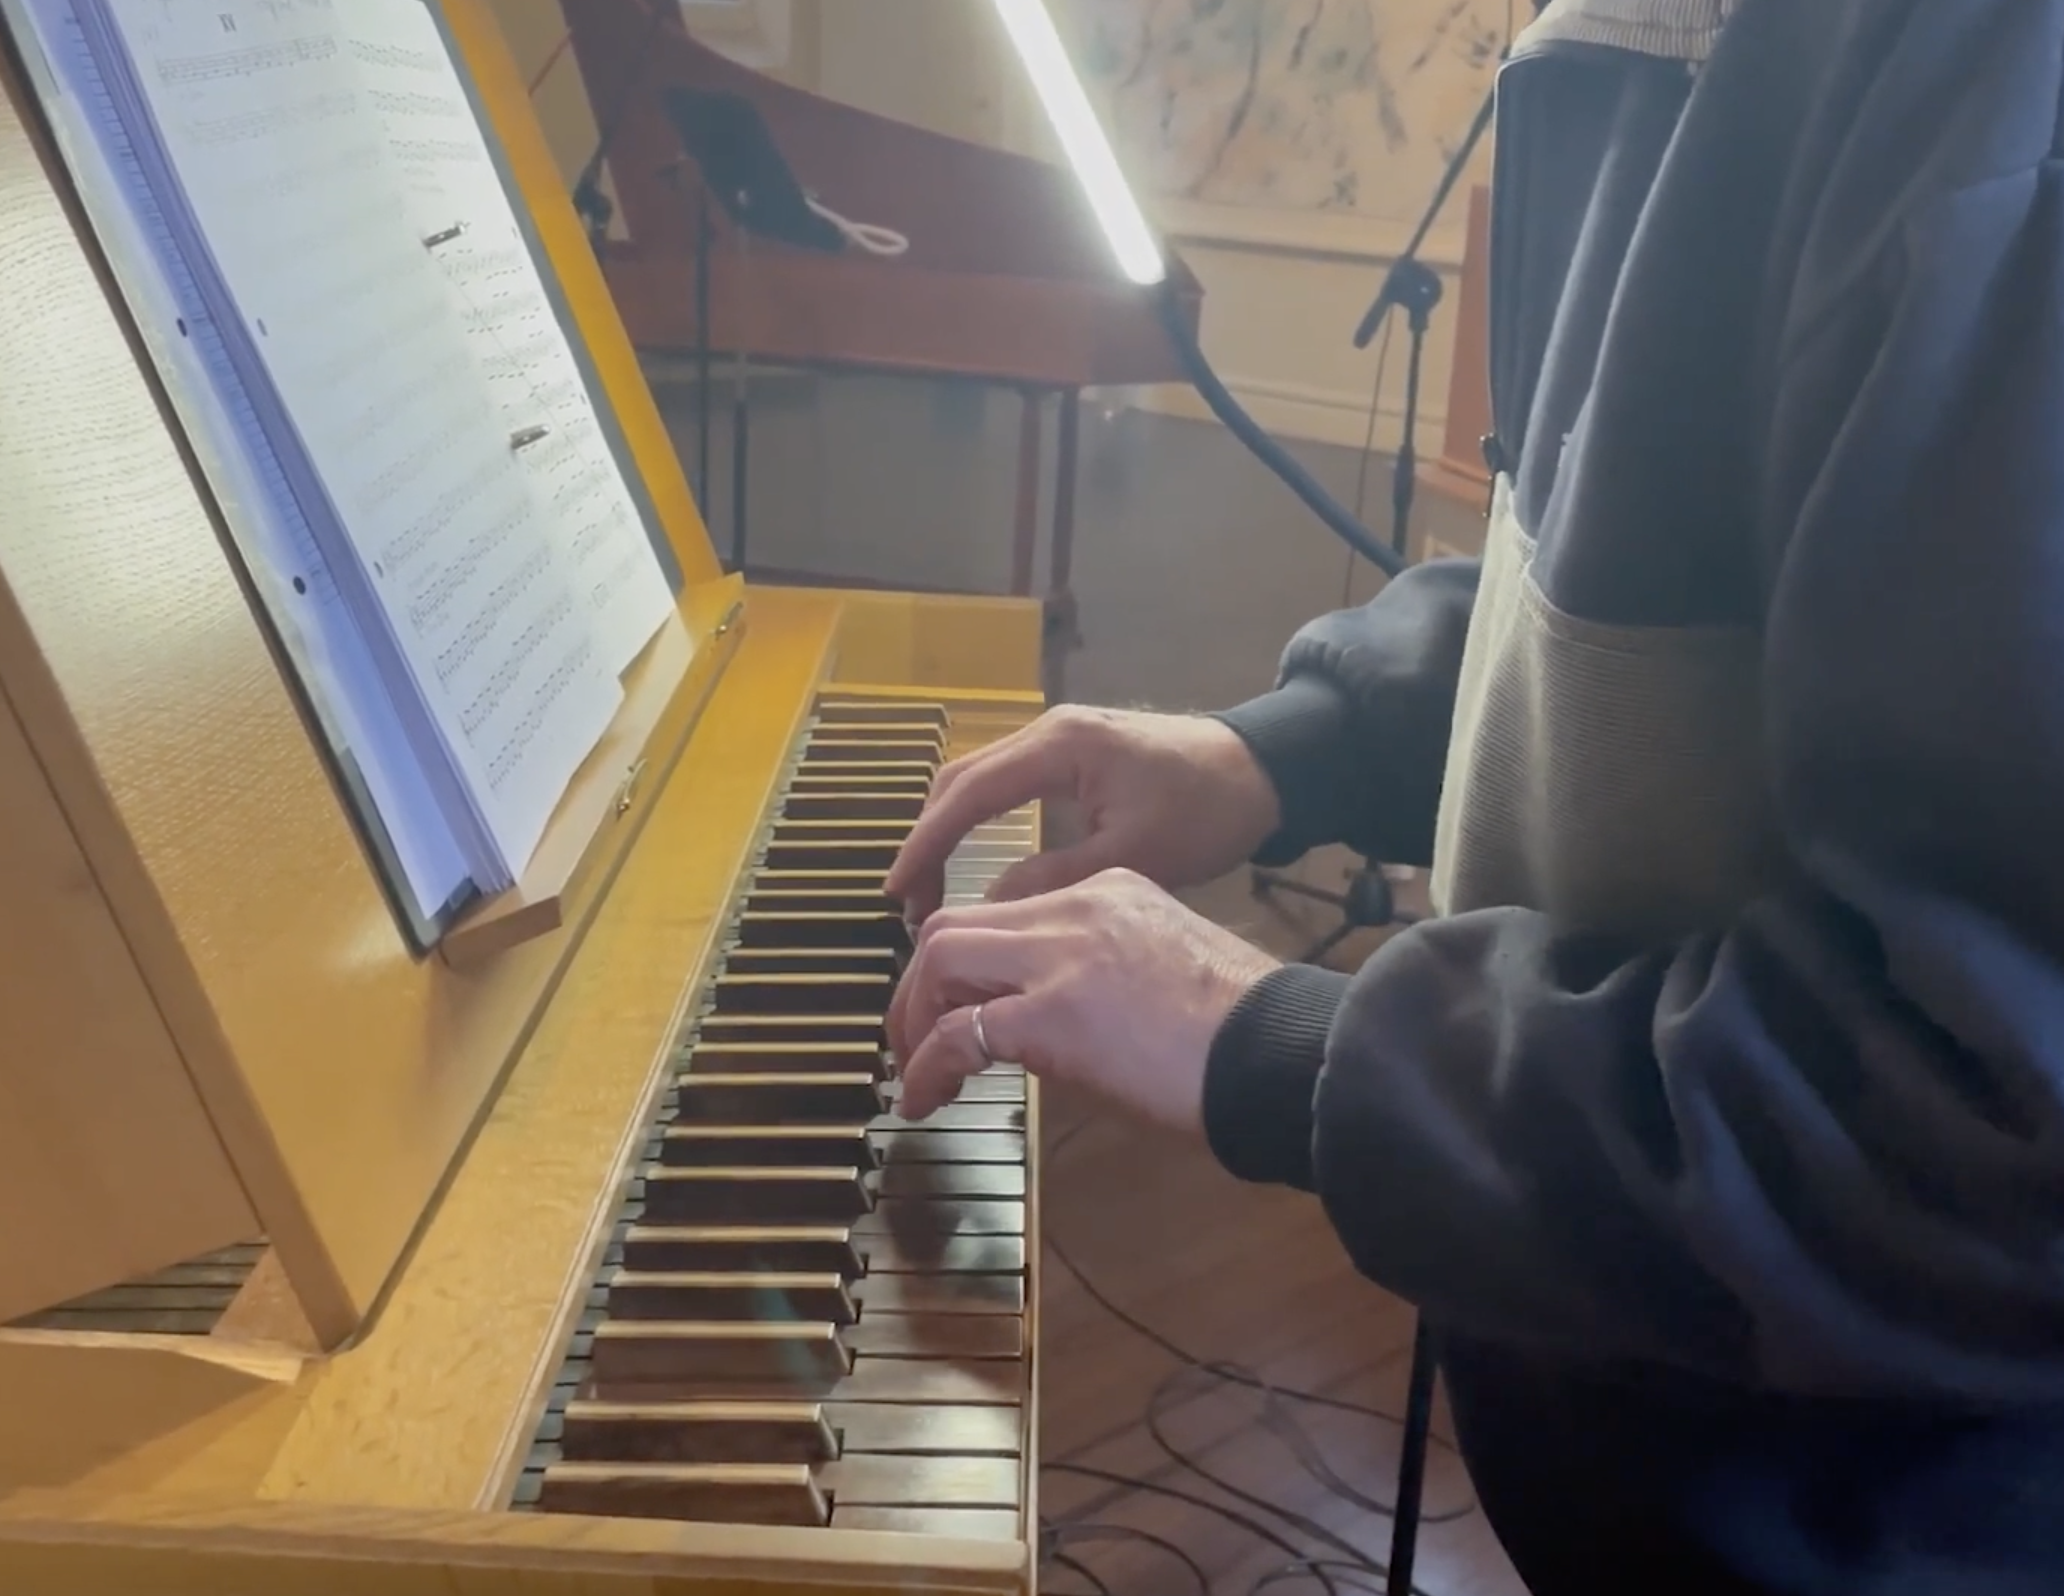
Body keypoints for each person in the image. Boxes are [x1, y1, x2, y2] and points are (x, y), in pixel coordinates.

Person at [883, 0, 2064, 1591]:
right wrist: (1287, 751)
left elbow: (1996, 1118)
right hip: (1629, 1446)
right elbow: (1619, 581)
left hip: (1886, 1527)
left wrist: (1283, 1036)